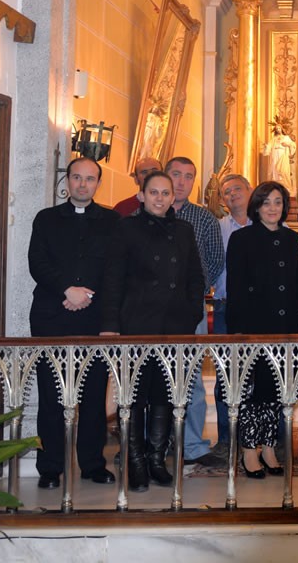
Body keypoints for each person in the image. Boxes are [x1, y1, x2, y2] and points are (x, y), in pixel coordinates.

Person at [99, 171, 205, 492]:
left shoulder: (184, 231)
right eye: (154, 192)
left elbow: (195, 279)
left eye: (165, 193)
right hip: (136, 324)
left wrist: (190, 316)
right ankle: (136, 462)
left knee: (165, 394)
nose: (160, 198)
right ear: (142, 196)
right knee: (133, 396)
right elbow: (113, 279)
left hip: (174, 326)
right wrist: (110, 326)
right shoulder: (126, 228)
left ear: (173, 197)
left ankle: (157, 460)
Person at [28, 157, 118, 490]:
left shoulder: (112, 221)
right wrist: (67, 289)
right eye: (77, 178)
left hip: (94, 318)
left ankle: (93, 463)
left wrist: (86, 296)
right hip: (51, 315)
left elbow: (113, 271)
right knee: (52, 394)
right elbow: (37, 261)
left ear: (98, 183)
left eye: (90, 179)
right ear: (67, 181)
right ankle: (50, 466)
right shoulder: (46, 219)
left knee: (94, 395)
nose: (83, 184)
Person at [225, 181, 298, 479]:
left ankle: (270, 448)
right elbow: (235, 288)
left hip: (286, 328)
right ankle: (249, 451)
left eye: (278, 202)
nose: (273, 208)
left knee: (278, 392)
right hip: (253, 327)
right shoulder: (241, 239)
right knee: (252, 393)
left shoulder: (292, 238)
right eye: (267, 202)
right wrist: (238, 330)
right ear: (256, 206)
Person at [167, 157, 227, 469]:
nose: (181, 182)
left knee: (191, 378)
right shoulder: (146, 213)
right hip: (148, 310)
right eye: (175, 174)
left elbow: (216, 260)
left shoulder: (204, 219)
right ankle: (153, 443)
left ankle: (192, 445)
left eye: (188, 176)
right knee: (152, 377)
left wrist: (196, 288)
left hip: (191, 307)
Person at [210, 173, 251, 457]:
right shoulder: (217, 227)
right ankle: (226, 438)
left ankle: (258, 438)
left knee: (259, 376)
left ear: (250, 191)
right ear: (223, 200)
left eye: (238, 189)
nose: (233, 194)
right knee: (225, 377)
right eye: (227, 191)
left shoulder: (268, 223)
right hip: (226, 306)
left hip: (259, 311)